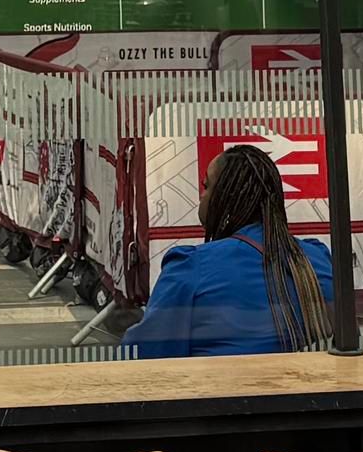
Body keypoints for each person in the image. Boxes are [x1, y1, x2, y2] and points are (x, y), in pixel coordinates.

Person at [130, 142, 332, 356]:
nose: (202, 195)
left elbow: (143, 356)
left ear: (225, 198)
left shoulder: (191, 269)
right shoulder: (317, 259)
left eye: (206, 186)